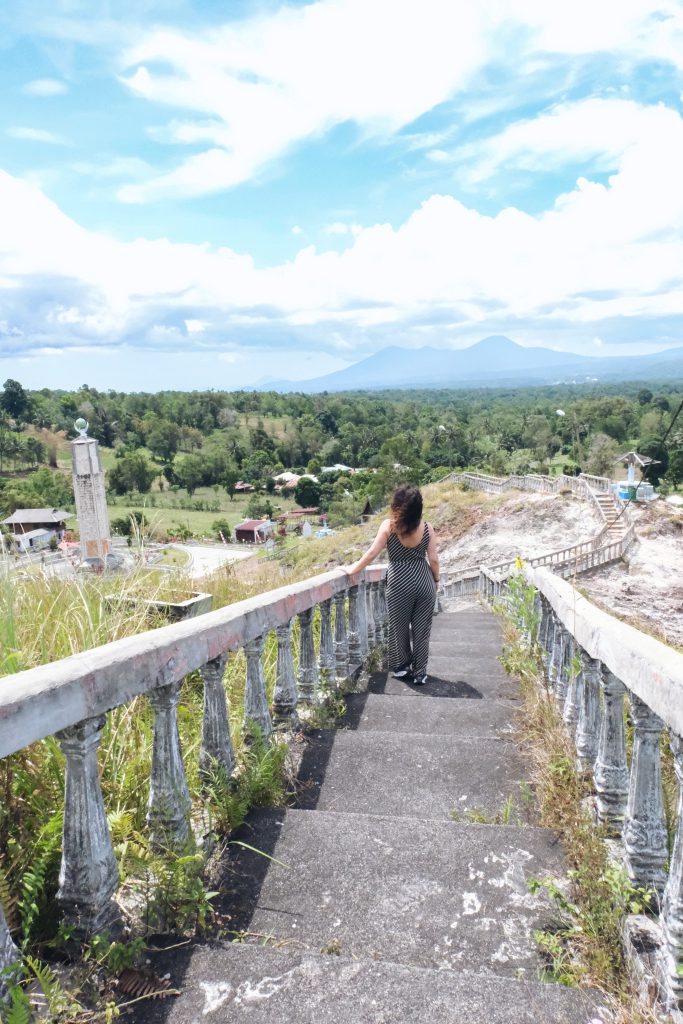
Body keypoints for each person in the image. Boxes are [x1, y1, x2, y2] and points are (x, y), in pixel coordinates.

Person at [342, 485, 439, 685]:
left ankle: (402, 667)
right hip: (424, 580)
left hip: (399, 582)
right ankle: (420, 672)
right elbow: (434, 560)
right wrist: (435, 580)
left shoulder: (389, 526)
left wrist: (353, 570)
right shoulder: (427, 528)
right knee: (422, 629)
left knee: (398, 626)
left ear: (398, 505)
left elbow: (372, 553)